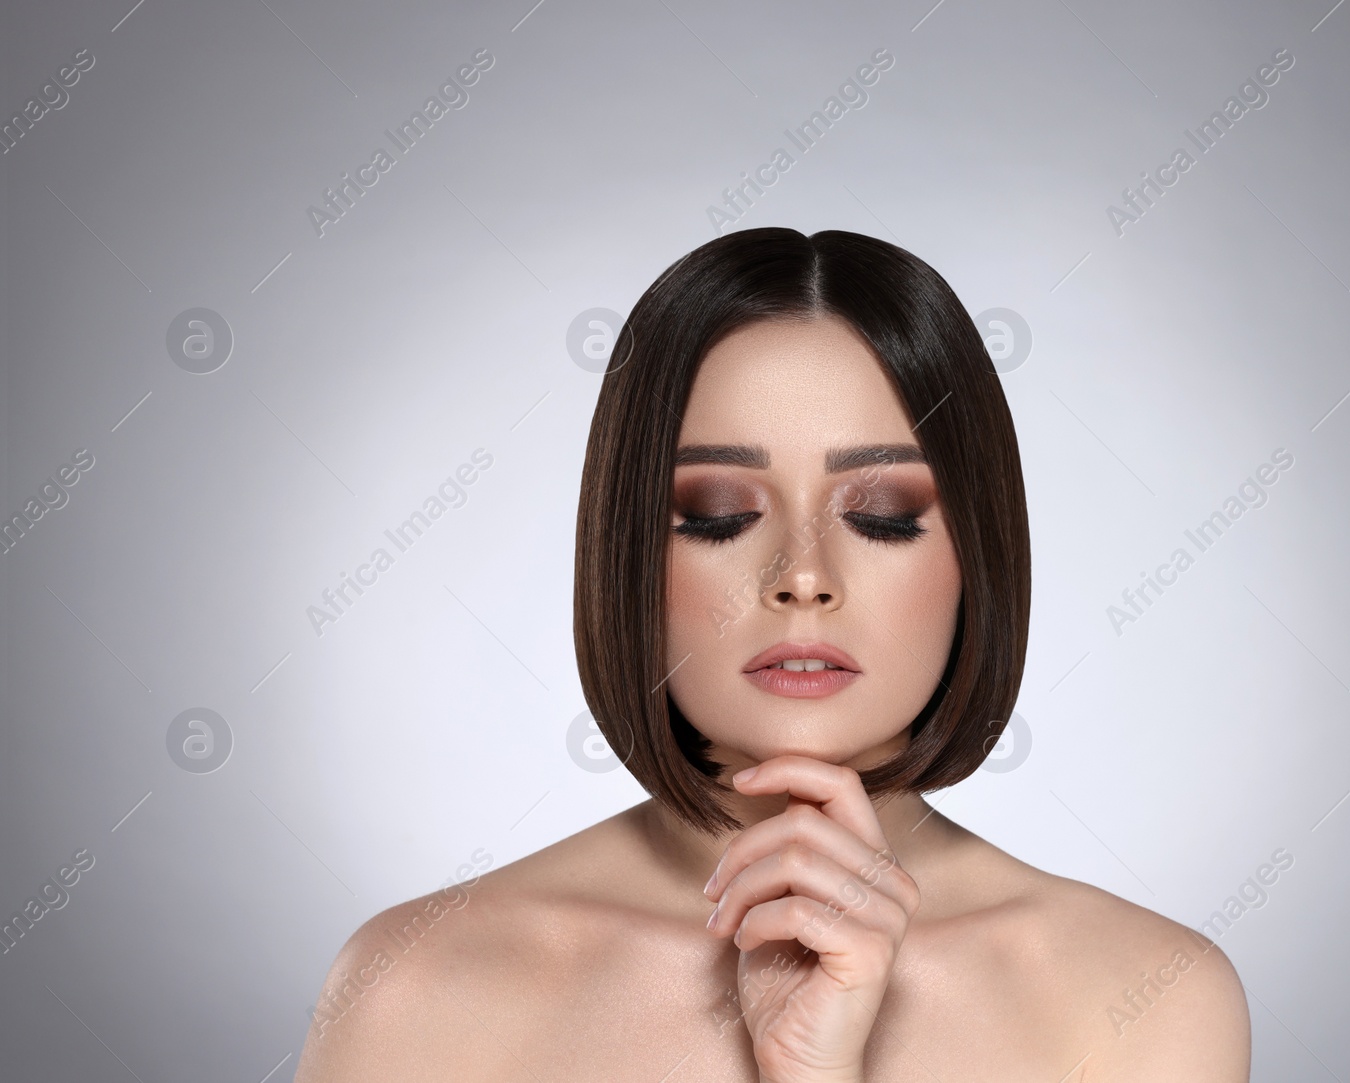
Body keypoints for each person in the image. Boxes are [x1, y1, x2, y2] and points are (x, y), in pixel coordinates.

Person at [294, 228, 1250, 1082]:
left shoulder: (1149, 998)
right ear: (631, 549)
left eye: (880, 516)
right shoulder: (416, 986)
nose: (803, 576)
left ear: (976, 555)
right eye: (720, 515)